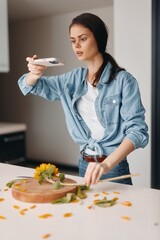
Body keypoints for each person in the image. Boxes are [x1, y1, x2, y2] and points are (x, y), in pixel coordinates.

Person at [18, 13, 149, 186]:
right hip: (84, 164)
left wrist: (106, 165)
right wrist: (34, 74)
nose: (77, 45)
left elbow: (138, 131)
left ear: (98, 39)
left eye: (83, 38)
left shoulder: (124, 81)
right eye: (73, 40)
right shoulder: (72, 79)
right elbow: (28, 85)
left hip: (113, 167)